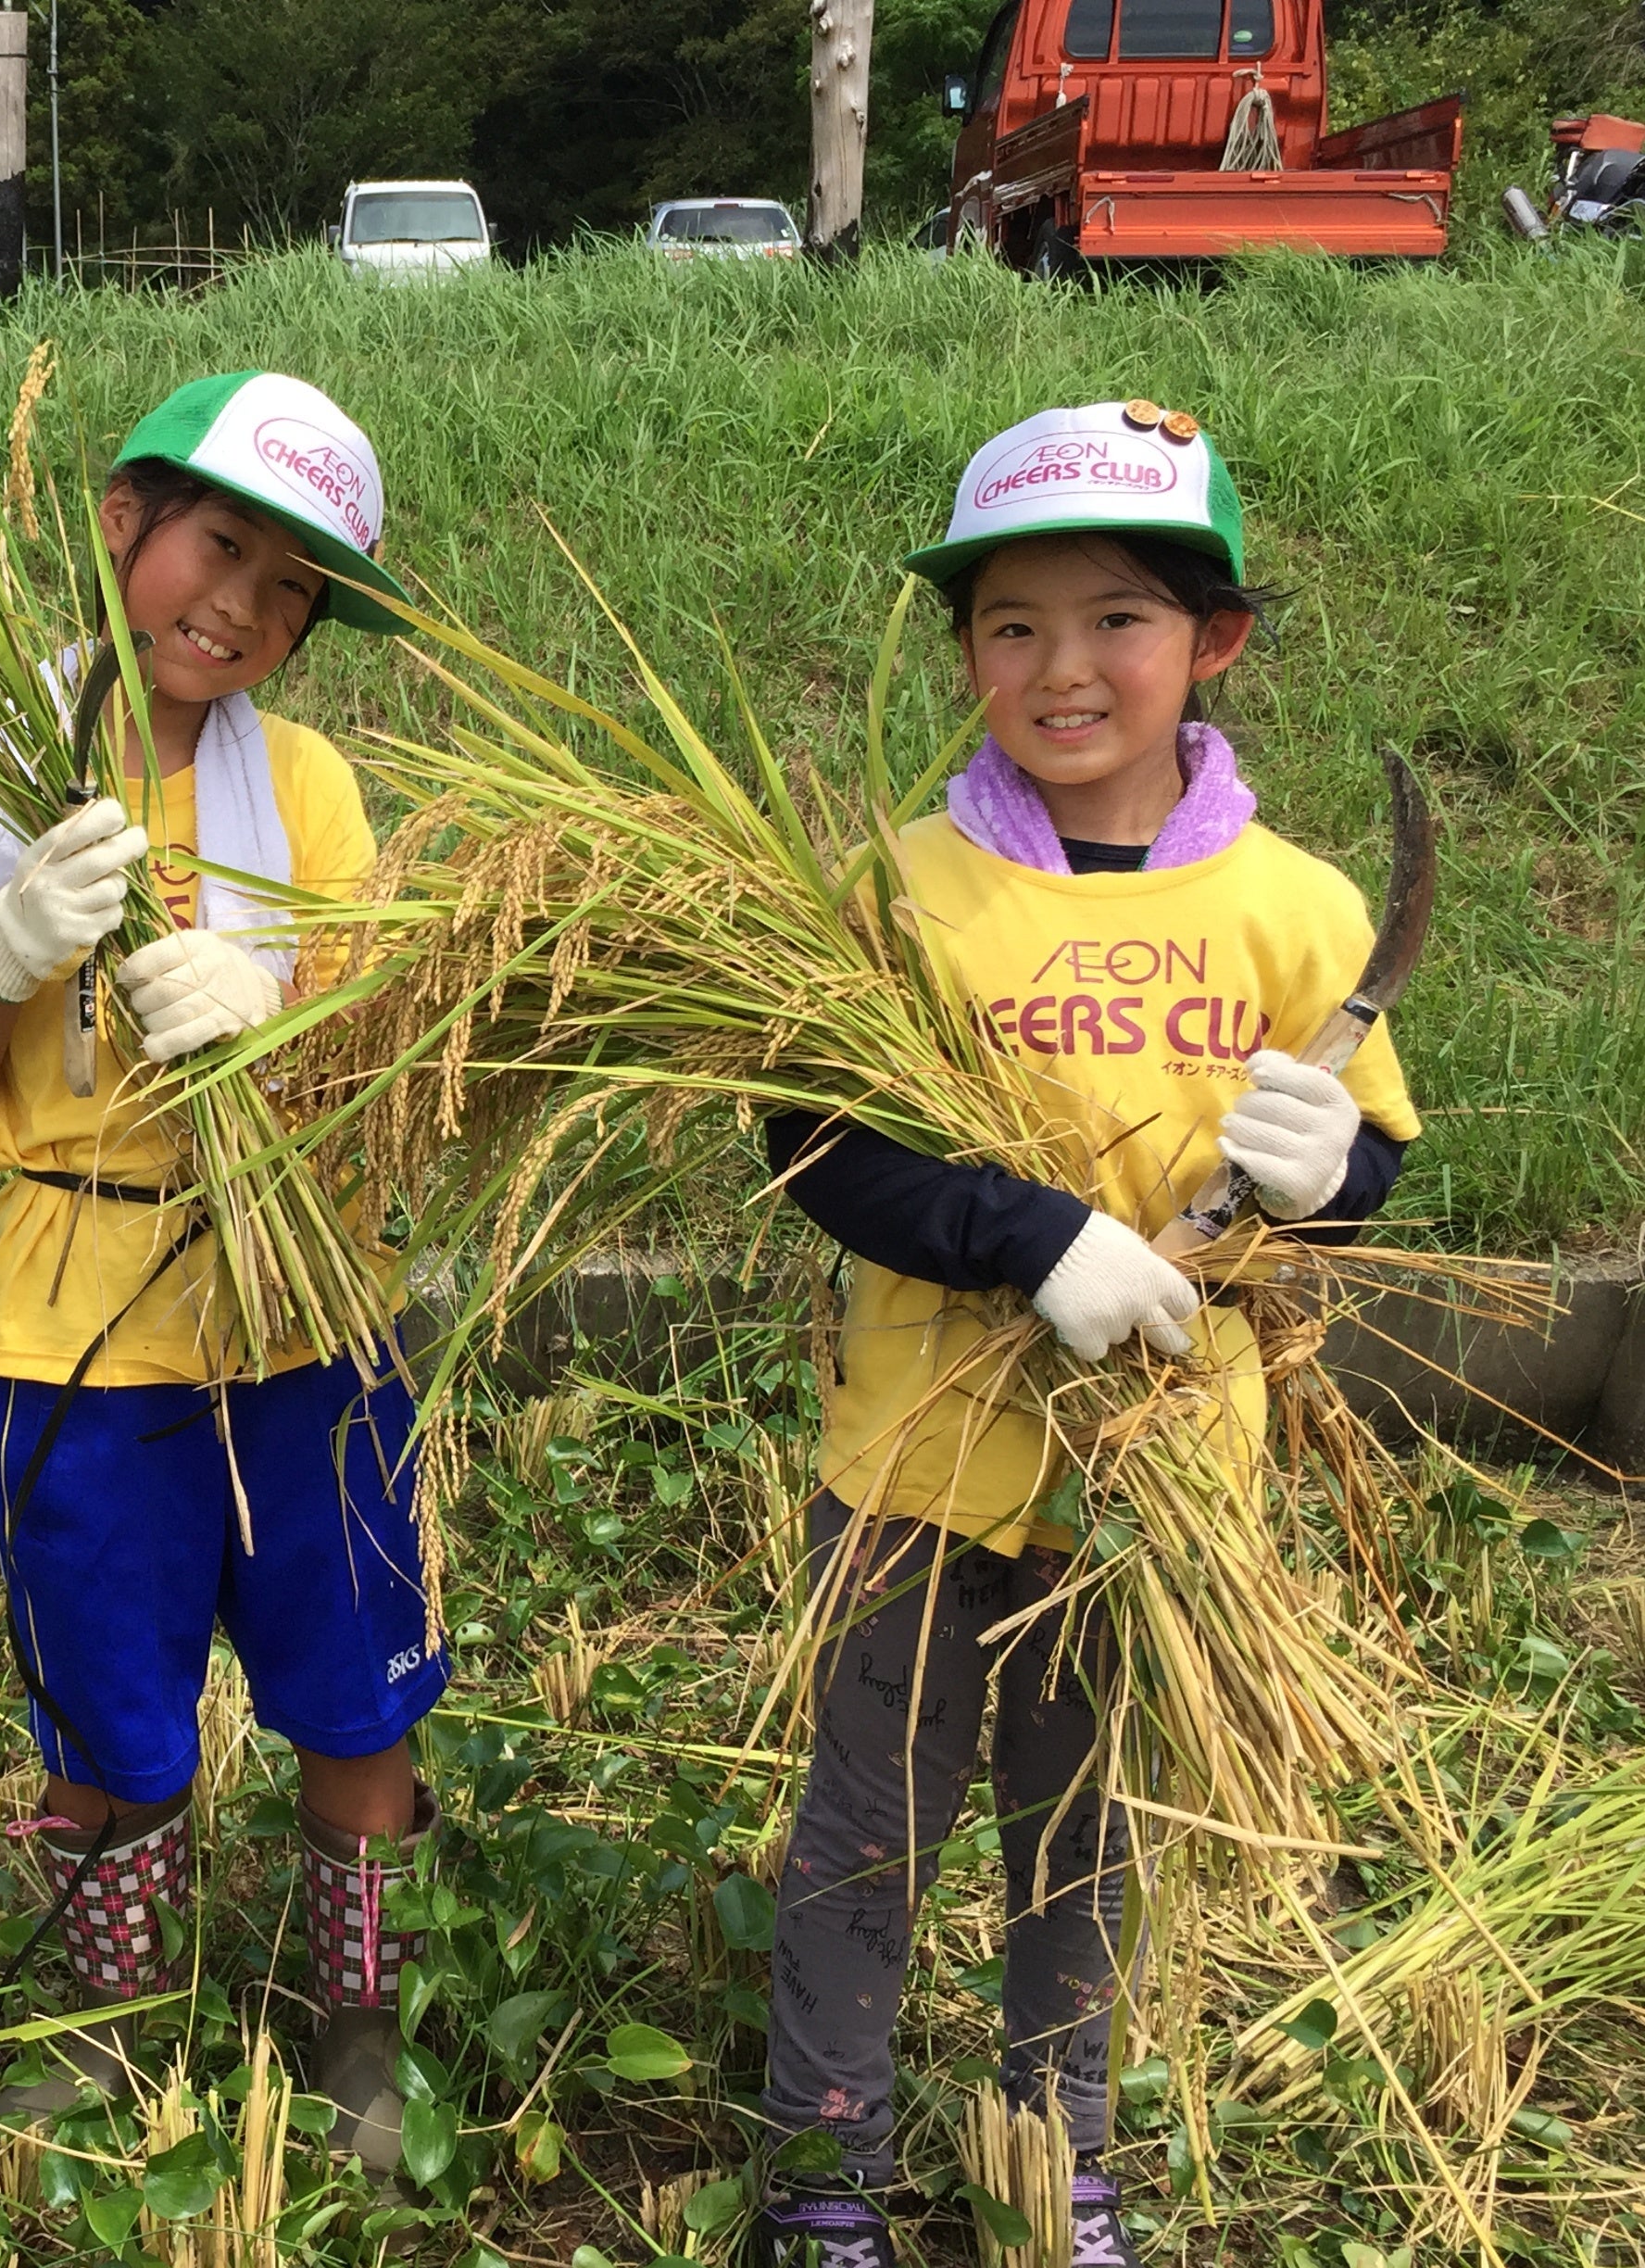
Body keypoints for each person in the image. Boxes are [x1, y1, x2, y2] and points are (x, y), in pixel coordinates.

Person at [745, 402, 1420, 2267]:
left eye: (1116, 618)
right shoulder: (906, 888)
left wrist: (1326, 1174)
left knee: (1090, 1844)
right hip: (919, 1471)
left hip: (1164, 1481)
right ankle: (825, 2173)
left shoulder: (1297, 906)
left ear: (1214, 642)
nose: (1061, 669)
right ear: (965, 649)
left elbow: (1366, 1177)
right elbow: (813, 1140)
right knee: (866, 1841)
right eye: (1010, 625)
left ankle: (1067, 2161)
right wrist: (1027, 1236)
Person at [0, 372, 442, 2188]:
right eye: (219, 545)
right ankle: (107, 2021)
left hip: (302, 1310)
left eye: (291, 589)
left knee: (356, 1685)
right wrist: (9, 952)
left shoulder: (310, 790)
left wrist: (280, 1019)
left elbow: (379, 1072)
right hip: (74, 1318)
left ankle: (356, 2024)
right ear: (122, 519)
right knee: (107, 1692)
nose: (241, 606)